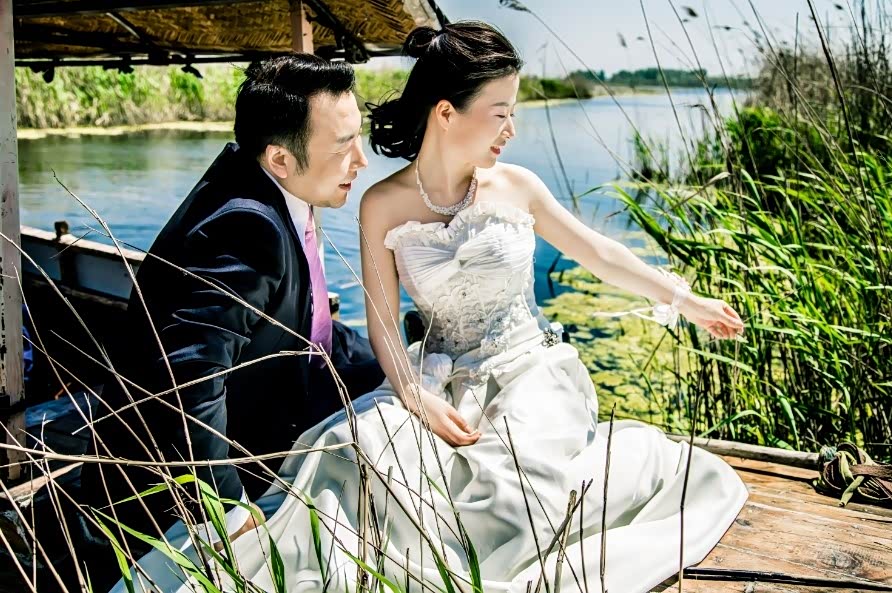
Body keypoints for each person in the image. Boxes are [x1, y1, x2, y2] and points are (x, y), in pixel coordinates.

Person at [112, 22, 748, 593]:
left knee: (510, 494)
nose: (512, 130)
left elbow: (599, 252)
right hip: (435, 376)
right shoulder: (362, 208)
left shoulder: (517, 185)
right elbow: (374, 327)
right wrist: (412, 393)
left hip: (528, 369)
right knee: (354, 455)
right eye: (500, 113)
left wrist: (684, 298)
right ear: (447, 112)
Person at [44, 53, 384, 593]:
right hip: (171, 500)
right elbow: (187, 384)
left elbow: (312, 327)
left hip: (251, 435)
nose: (361, 161)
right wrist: (228, 508)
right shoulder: (246, 227)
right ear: (280, 158)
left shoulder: (273, 192)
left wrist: (392, 370)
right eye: (344, 146)